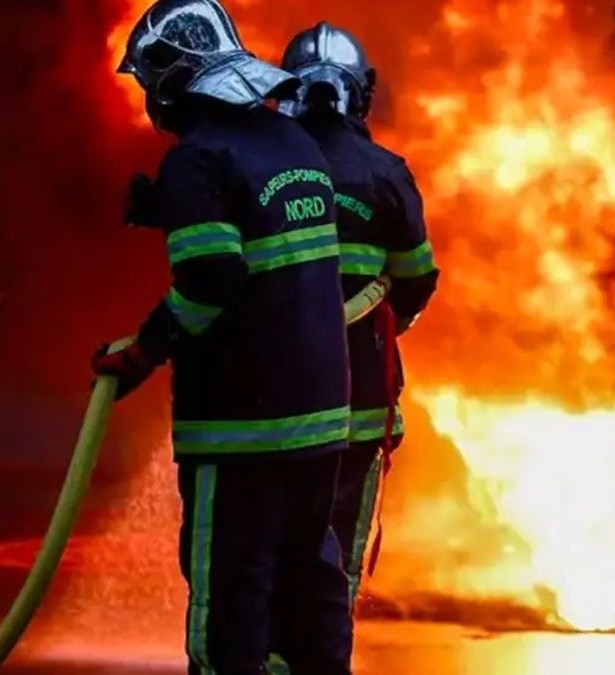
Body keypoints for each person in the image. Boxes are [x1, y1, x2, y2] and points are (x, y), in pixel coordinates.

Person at [93, 2, 351, 673]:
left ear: (171, 79)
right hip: (320, 422)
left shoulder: (197, 160)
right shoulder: (295, 143)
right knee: (306, 598)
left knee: (231, 607)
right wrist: (167, 209)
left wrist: (144, 351)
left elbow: (211, 281)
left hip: (243, 432)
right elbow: (265, 235)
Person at [269, 21, 440, 671]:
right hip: (357, 404)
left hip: (267, 410)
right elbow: (417, 281)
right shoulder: (384, 174)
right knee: (334, 552)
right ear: (360, 94)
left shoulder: (256, 167)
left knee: (262, 550)